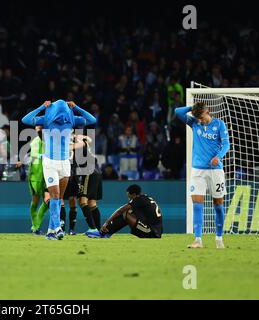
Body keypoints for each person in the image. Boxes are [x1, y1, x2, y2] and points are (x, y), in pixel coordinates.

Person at [22, 99, 96, 240]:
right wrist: (75, 107)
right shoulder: (52, 120)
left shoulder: (61, 119)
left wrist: (44, 106)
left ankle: (50, 231)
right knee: (55, 196)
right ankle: (57, 228)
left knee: (58, 198)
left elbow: (93, 119)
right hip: (50, 163)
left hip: (65, 163)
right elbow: (25, 119)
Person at [175, 102, 230, 249]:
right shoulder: (194, 123)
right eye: (198, 117)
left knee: (218, 205)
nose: (200, 120)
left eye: (202, 117)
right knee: (197, 205)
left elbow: (226, 145)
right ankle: (198, 240)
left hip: (216, 171)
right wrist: (192, 107)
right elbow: (177, 112)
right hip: (198, 171)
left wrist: (218, 156)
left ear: (208, 111)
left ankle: (219, 239)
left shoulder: (219, 125)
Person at [89, 184, 163, 239]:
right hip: (156, 231)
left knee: (126, 213)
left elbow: (120, 210)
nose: (129, 199)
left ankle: (104, 233)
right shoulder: (145, 198)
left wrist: (106, 222)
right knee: (130, 212)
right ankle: (106, 233)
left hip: (151, 232)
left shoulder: (138, 199)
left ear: (134, 194)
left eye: (129, 196)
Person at [74, 134, 104, 235]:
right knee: (92, 203)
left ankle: (92, 228)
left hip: (89, 171)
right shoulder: (85, 144)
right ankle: (99, 230)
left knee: (82, 201)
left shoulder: (78, 145)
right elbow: (89, 139)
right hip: (97, 172)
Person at [27, 125, 49, 235]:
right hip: (36, 176)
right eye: (37, 127)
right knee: (35, 202)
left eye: (40, 126)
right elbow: (34, 157)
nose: (38, 129)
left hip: (47, 174)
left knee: (47, 201)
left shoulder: (49, 139)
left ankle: (36, 226)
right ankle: (35, 227)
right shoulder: (35, 141)